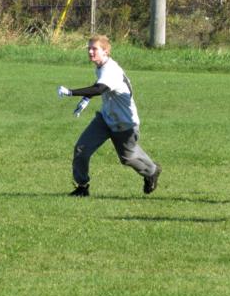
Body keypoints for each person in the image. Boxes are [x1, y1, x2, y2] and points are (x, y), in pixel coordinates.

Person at [57, 34, 161, 197]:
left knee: (127, 158)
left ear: (105, 51)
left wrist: (71, 92)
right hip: (105, 118)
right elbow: (99, 86)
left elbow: (100, 89)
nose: (90, 52)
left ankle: (152, 171)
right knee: (81, 149)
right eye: (89, 48)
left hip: (125, 123)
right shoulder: (101, 66)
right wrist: (86, 98)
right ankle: (82, 187)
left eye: (94, 49)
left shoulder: (111, 70)